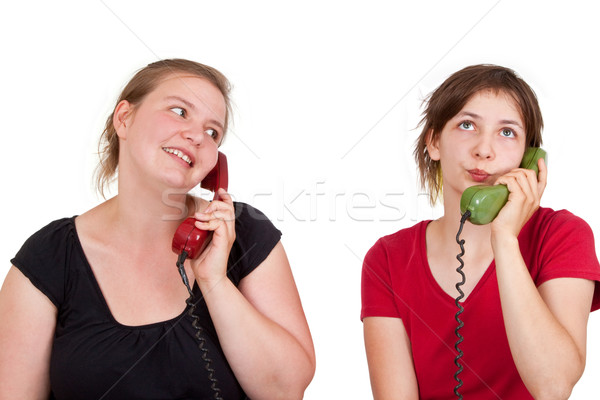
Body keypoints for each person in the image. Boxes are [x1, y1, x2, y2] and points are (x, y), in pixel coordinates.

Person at [0, 59, 315, 399]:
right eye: (180, 111)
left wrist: (214, 282)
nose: (197, 135)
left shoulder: (245, 234)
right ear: (125, 118)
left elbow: (285, 391)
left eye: (213, 132)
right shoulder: (49, 256)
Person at [361, 64, 600, 399]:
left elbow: (553, 386)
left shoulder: (562, 235)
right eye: (467, 125)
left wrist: (504, 239)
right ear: (434, 142)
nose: (484, 150)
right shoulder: (388, 259)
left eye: (507, 133)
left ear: (528, 158)